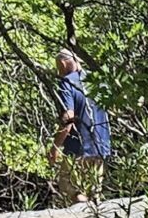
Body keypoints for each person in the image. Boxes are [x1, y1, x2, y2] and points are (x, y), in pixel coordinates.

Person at [48, 49, 111, 206]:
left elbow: (68, 117)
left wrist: (55, 147)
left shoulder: (67, 82)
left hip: (78, 148)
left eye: (58, 67)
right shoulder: (98, 80)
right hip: (100, 147)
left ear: (63, 63)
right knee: (94, 191)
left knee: (72, 189)